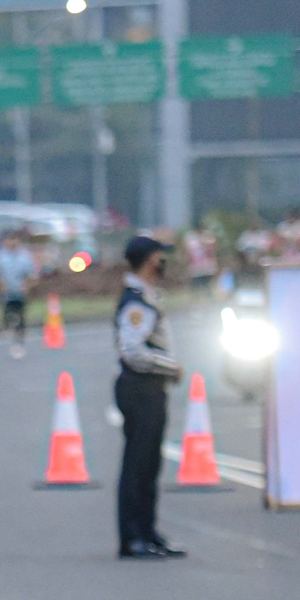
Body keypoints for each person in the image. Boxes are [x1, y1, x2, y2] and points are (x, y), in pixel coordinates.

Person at [113, 235, 186, 560]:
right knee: (138, 464)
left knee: (150, 464)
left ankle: (148, 531)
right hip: (140, 387)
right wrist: (170, 367)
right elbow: (132, 351)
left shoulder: (147, 296)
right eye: (160, 256)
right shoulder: (137, 303)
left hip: (150, 388)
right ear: (150, 260)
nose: (164, 262)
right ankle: (133, 536)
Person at [0, 230, 38, 358]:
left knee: (20, 317)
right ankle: (8, 329)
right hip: (7, 292)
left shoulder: (25, 256)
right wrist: (0, 286)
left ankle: (19, 341)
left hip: (20, 292)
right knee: (8, 314)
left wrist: (27, 286)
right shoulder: (1, 256)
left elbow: (32, 274)